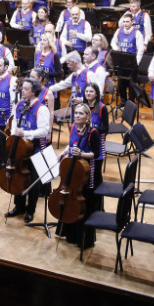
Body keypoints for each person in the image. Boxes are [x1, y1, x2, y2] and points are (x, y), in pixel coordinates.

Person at [5, 78, 51, 223]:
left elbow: (44, 131)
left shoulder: (41, 109)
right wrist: (12, 137)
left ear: (33, 92)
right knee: (18, 176)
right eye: (22, 88)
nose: (22, 90)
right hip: (19, 148)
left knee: (33, 181)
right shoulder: (20, 104)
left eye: (25, 89)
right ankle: (19, 206)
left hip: (35, 149)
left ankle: (30, 210)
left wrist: (26, 134)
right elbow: (14, 124)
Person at [56, 102, 102, 246]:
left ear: (87, 116)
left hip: (86, 174)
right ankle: (70, 233)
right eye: (76, 113)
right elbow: (71, 144)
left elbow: (96, 154)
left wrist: (82, 154)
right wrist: (63, 153)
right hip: (72, 171)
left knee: (84, 204)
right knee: (70, 201)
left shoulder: (93, 132)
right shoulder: (73, 128)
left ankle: (83, 240)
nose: (77, 116)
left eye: (81, 113)